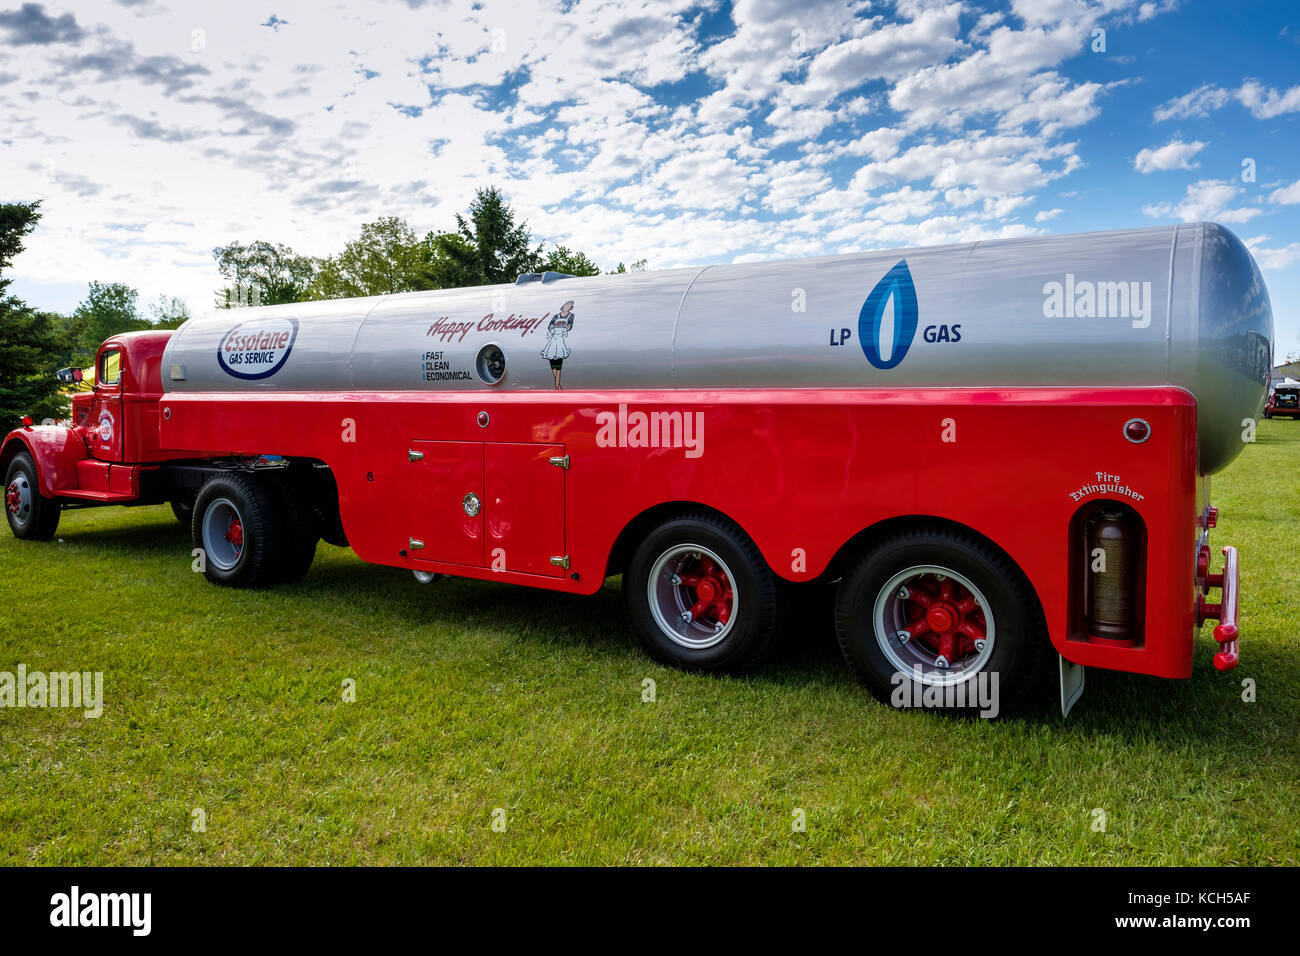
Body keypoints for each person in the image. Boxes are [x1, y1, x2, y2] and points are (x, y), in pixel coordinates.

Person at [540, 300, 575, 389]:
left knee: (558, 366)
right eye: (566, 305)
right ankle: (558, 387)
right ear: (563, 306)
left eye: (569, 306)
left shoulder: (571, 315)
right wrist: (551, 326)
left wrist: (568, 327)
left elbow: (570, 325)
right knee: (553, 366)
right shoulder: (556, 315)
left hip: (560, 341)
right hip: (552, 341)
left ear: (570, 308)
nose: (567, 307)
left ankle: (557, 389)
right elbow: (550, 325)